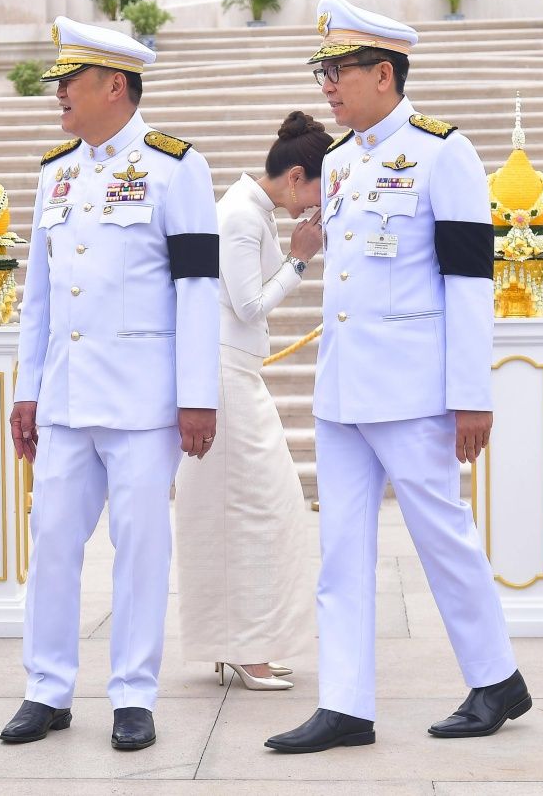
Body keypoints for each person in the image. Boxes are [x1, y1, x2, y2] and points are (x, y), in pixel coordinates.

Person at [265, 0, 529, 754]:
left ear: (384, 73)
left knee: (442, 536)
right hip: (343, 388)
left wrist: (471, 394)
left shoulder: (445, 152)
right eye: (322, 71)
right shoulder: (341, 161)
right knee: (340, 550)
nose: (327, 85)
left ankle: (496, 677)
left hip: (413, 389)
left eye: (338, 70)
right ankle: (345, 703)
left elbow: (469, 281)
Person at [0, 16, 221, 752]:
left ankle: (132, 693)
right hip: (66, 399)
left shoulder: (176, 167)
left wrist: (197, 395)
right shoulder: (55, 172)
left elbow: (198, 289)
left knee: (140, 548)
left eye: (71, 81)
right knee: (52, 543)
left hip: (142, 400)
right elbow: (39, 294)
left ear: (115, 86)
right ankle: (46, 688)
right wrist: (28, 388)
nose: (59, 94)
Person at [175, 112, 328, 691]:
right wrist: (300, 258)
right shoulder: (241, 214)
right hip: (225, 375)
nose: (318, 204)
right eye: (318, 189)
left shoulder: (250, 209)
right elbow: (248, 306)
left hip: (236, 370)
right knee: (258, 508)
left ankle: (240, 642)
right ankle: (245, 647)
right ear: (296, 177)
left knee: (250, 508)